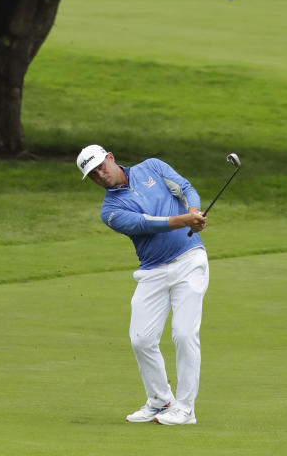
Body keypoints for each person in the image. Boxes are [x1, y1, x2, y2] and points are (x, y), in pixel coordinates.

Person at [77, 144, 209, 426]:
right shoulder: (110, 210)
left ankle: (185, 409)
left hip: (189, 260)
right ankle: (161, 401)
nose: (100, 175)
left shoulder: (152, 167)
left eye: (101, 166)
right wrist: (185, 219)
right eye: (93, 174)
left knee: (184, 335)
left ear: (110, 158)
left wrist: (194, 211)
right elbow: (147, 223)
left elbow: (185, 187)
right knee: (141, 339)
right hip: (152, 272)